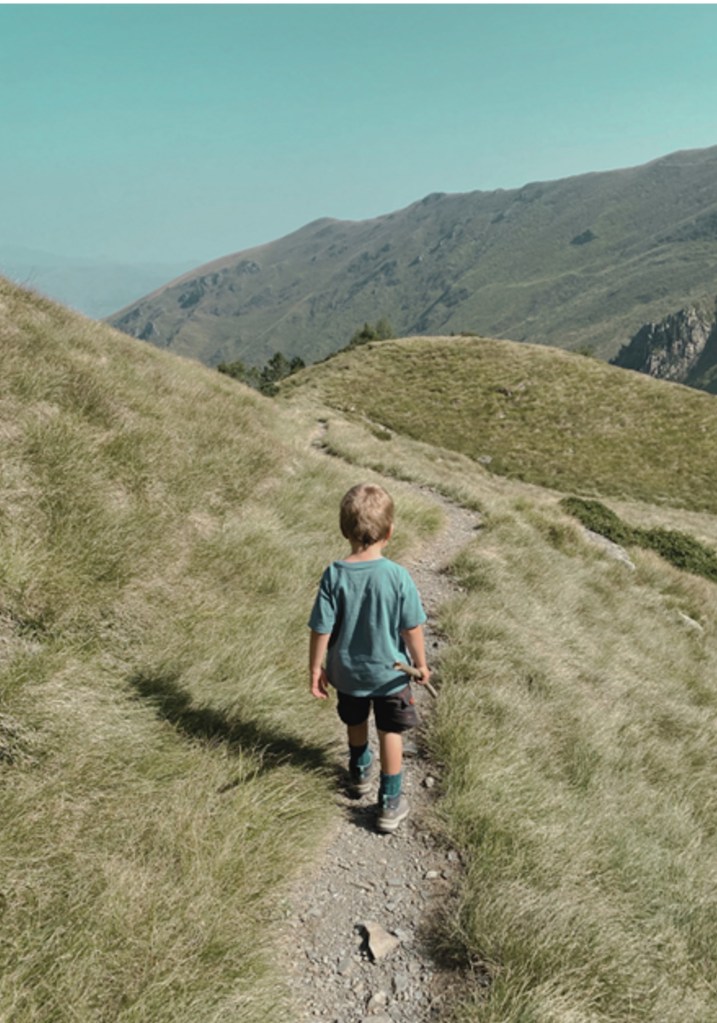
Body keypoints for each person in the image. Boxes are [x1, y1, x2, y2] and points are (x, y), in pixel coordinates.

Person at [308, 482, 431, 832]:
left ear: (343, 529)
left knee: (355, 720)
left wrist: (316, 667)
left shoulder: (334, 574)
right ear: (390, 532)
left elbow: (321, 628)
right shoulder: (397, 576)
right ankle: (390, 802)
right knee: (390, 731)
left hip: (346, 673)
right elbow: (412, 627)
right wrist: (420, 664)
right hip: (390, 675)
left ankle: (360, 773)